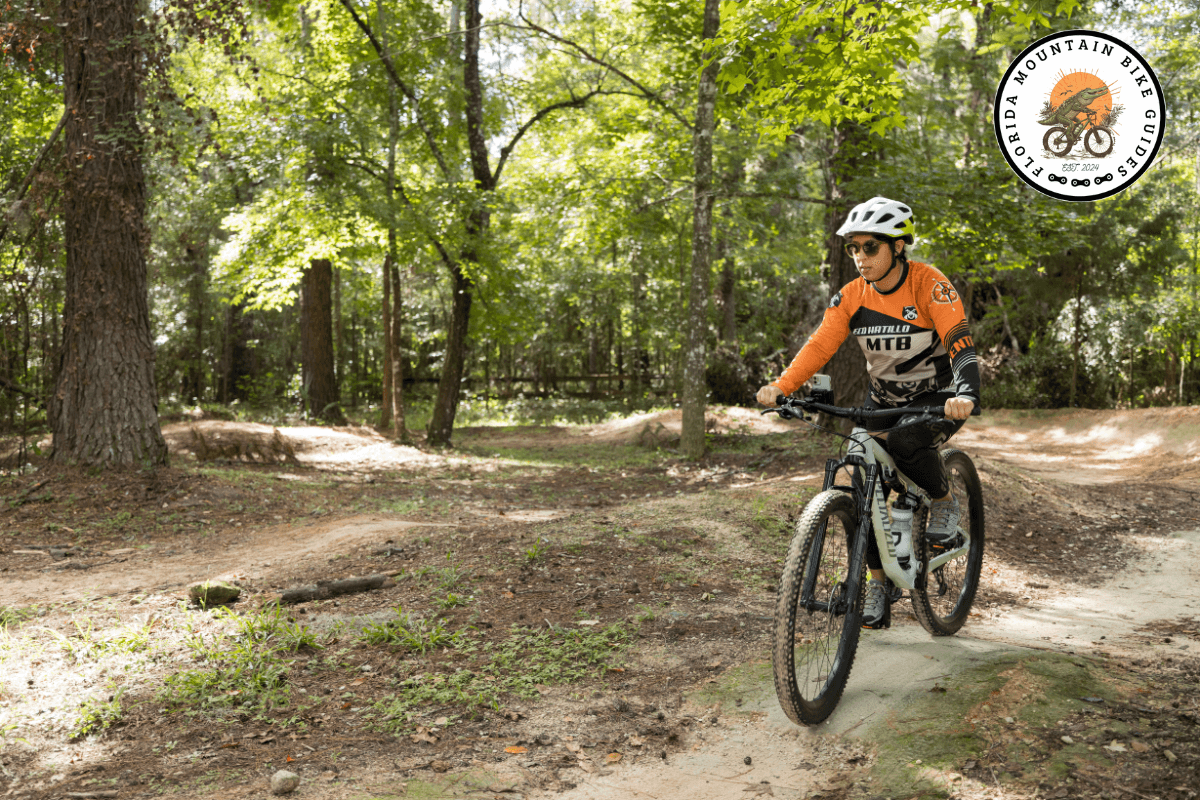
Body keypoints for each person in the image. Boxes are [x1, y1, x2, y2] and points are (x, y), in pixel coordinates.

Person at [756, 196, 980, 629]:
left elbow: (960, 343)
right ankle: (879, 583)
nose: (860, 257)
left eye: (870, 247)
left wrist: (966, 392)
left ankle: (944, 500)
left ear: (898, 247)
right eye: (853, 248)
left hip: (938, 398)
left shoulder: (929, 284)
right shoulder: (852, 296)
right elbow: (821, 345)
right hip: (883, 402)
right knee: (862, 483)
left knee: (906, 441)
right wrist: (782, 387)